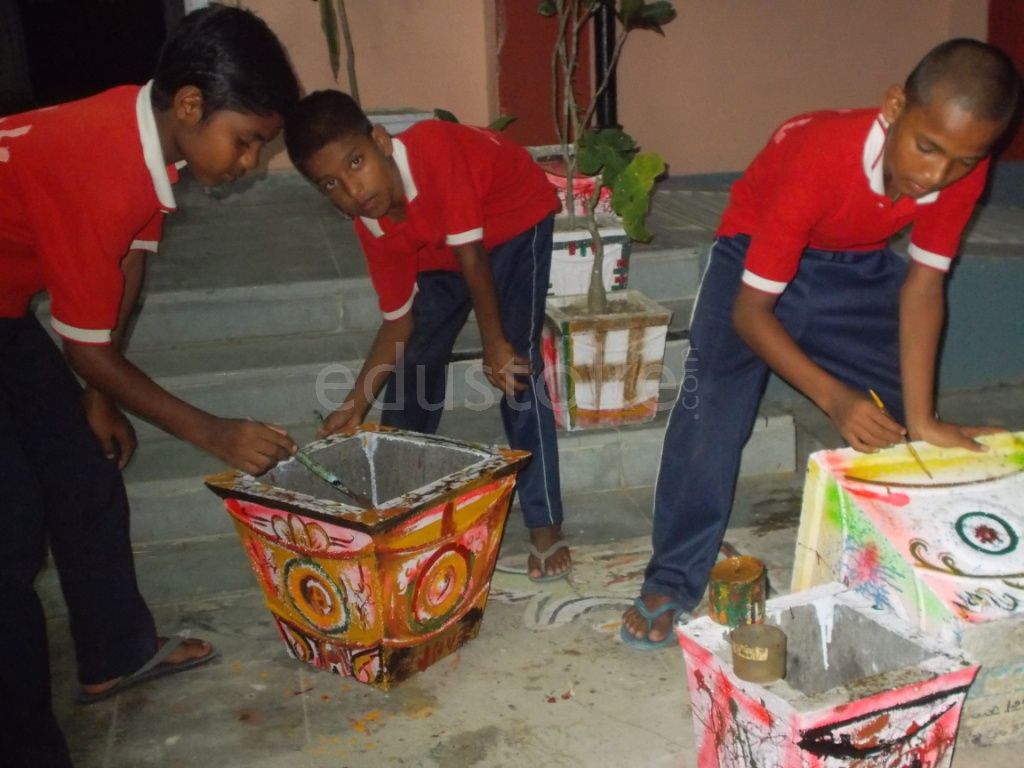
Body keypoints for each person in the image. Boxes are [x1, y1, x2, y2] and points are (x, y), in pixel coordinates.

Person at [621, 38, 1021, 650]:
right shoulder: (818, 152)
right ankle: (673, 574)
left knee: (898, 419)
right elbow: (753, 313)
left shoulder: (962, 167)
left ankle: (908, 560)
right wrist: (834, 398)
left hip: (855, 268)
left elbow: (923, 286)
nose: (936, 175)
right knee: (712, 414)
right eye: (927, 147)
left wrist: (922, 416)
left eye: (964, 161)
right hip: (750, 259)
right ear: (894, 107)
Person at [0, 6, 299, 765]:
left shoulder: (149, 145)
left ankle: (112, 654)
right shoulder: (97, 164)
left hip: (2, 310)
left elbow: (124, 269)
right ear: (191, 104)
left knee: (82, 473)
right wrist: (216, 433)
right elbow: (87, 347)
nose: (248, 162)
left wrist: (98, 401)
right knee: (9, 527)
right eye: (246, 142)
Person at [283, 91, 572, 583]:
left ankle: (545, 523)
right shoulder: (372, 224)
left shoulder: (435, 150)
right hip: (448, 248)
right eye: (331, 183)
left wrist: (494, 343)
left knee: (515, 369)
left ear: (379, 141)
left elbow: (474, 258)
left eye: (356, 163)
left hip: (512, 219)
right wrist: (356, 403)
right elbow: (399, 321)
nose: (353, 189)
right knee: (414, 362)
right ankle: (398, 504)